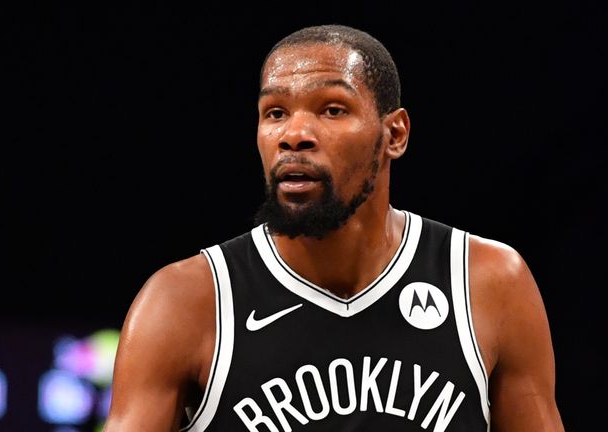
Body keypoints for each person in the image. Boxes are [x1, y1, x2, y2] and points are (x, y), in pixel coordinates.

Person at [103, 24, 565, 432]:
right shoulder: (186, 301)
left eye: (332, 109)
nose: (294, 133)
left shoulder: (488, 281)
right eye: (275, 113)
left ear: (395, 135)